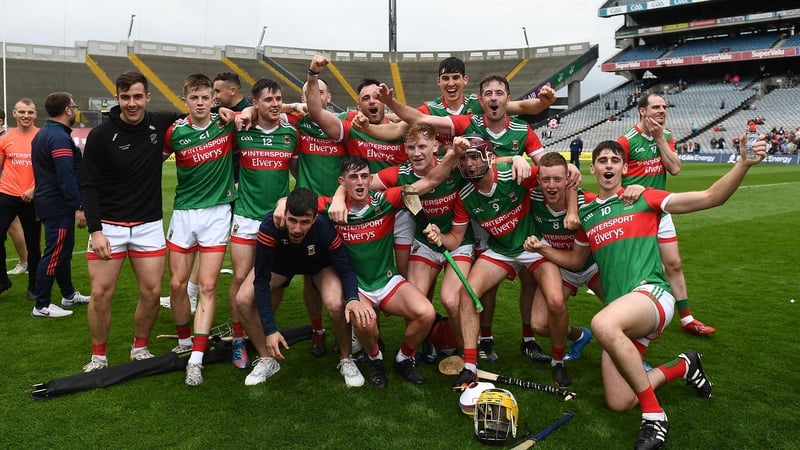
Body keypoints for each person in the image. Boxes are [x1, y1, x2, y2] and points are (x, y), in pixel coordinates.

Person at [524, 137, 766, 449]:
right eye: (602, 160)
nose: (608, 165)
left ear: (624, 168)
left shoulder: (643, 198)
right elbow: (576, 261)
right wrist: (543, 248)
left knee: (602, 324)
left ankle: (654, 416)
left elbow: (710, 197)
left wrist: (743, 163)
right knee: (620, 400)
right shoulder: (588, 215)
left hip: (652, 296)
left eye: (615, 160)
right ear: (593, 168)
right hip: (623, 313)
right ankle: (685, 365)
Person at [373, 75, 576, 364]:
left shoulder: (522, 130)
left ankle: (530, 340)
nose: (494, 99)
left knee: (531, 283)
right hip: (476, 218)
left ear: (507, 98)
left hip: (512, 212)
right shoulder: (468, 125)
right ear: (480, 101)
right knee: (480, 288)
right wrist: (390, 102)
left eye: (499, 94)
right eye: (488, 94)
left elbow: (549, 170)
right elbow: (420, 122)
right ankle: (479, 342)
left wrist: (544, 170)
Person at [423, 135, 575, 388]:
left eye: (475, 157)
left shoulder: (514, 174)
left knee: (556, 301)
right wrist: (440, 237)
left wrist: (571, 207)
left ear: (489, 158)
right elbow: (456, 239)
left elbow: (564, 175)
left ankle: (558, 362)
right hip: (500, 250)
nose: (470, 164)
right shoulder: (465, 195)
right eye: (464, 159)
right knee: (467, 294)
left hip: (533, 246)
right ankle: (470, 365)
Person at [317, 147, 462, 387]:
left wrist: (451, 157)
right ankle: (375, 358)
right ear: (342, 182)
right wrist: (282, 205)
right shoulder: (332, 207)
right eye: (353, 178)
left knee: (425, 313)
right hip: (357, 286)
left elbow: (428, 182)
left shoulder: (385, 200)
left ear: (371, 178)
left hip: (387, 280)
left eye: (365, 176)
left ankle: (403, 358)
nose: (360, 182)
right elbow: (294, 202)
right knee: (365, 322)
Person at [80, 72, 184, 371]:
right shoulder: (101, 135)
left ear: (147, 97)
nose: (132, 103)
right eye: (125, 97)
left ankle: (140, 348)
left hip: (148, 226)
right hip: (109, 227)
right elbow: (87, 184)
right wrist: (96, 231)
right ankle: (98, 357)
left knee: (151, 293)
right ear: (117, 99)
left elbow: (198, 111)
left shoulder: (160, 121)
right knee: (100, 293)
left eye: (138, 96)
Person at [235, 188, 375, 387]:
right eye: (292, 220)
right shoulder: (270, 225)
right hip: (281, 265)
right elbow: (261, 279)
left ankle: (346, 359)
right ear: (285, 214)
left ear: (315, 218)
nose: (297, 229)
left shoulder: (324, 227)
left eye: (304, 222)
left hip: (317, 265)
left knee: (336, 305)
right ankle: (267, 359)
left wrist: (352, 298)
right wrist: (270, 330)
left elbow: (345, 269)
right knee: (242, 299)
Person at [617, 93, 714, 336]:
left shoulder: (666, 137)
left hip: (660, 210)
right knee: (638, 271)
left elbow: (675, 168)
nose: (662, 111)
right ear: (642, 111)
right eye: (656, 107)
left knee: (674, 263)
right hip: (635, 214)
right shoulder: (626, 141)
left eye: (664, 107)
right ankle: (630, 318)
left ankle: (687, 317)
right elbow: (614, 180)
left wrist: (660, 139)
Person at [163, 74, 237, 386]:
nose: (201, 103)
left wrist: (238, 114)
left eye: (206, 97)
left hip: (217, 213)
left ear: (214, 99)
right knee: (178, 285)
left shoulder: (226, 124)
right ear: (185, 102)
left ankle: (196, 357)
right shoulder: (175, 133)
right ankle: (183, 340)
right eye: (195, 98)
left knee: (207, 286)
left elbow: (255, 112)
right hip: (183, 214)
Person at [226, 78, 298, 370]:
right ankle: (238, 339)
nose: (275, 104)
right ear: (254, 103)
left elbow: (297, 169)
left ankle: (263, 329)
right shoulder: (241, 129)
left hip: (277, 219)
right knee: (241, 278)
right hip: (245, 215)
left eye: (278, 99)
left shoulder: (291, 134)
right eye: (267, 100)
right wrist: (241, 114)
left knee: (274, 280)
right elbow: (225, 115)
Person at [30, 92, 90, 318]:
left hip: (51, 203)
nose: (74, 110)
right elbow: (66, 176)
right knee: (55, 252)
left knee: (63, 251)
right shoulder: (58, 137)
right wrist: (79, 206)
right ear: (67, 110)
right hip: (58, 205)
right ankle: (41, 305)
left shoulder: (45, 134)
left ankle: (68, 294)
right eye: (73, 106)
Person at [0, 99, 42, 301]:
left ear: (35, 115)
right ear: (14, 113)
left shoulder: (42, 137)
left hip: (32, 198)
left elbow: (49, 170)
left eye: (30, 112)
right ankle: (2, 281)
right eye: (22, 112)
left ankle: (34, 285)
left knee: (33, 244)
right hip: (6, 194)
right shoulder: (5, 138)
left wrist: (34, 189)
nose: (26, 115)